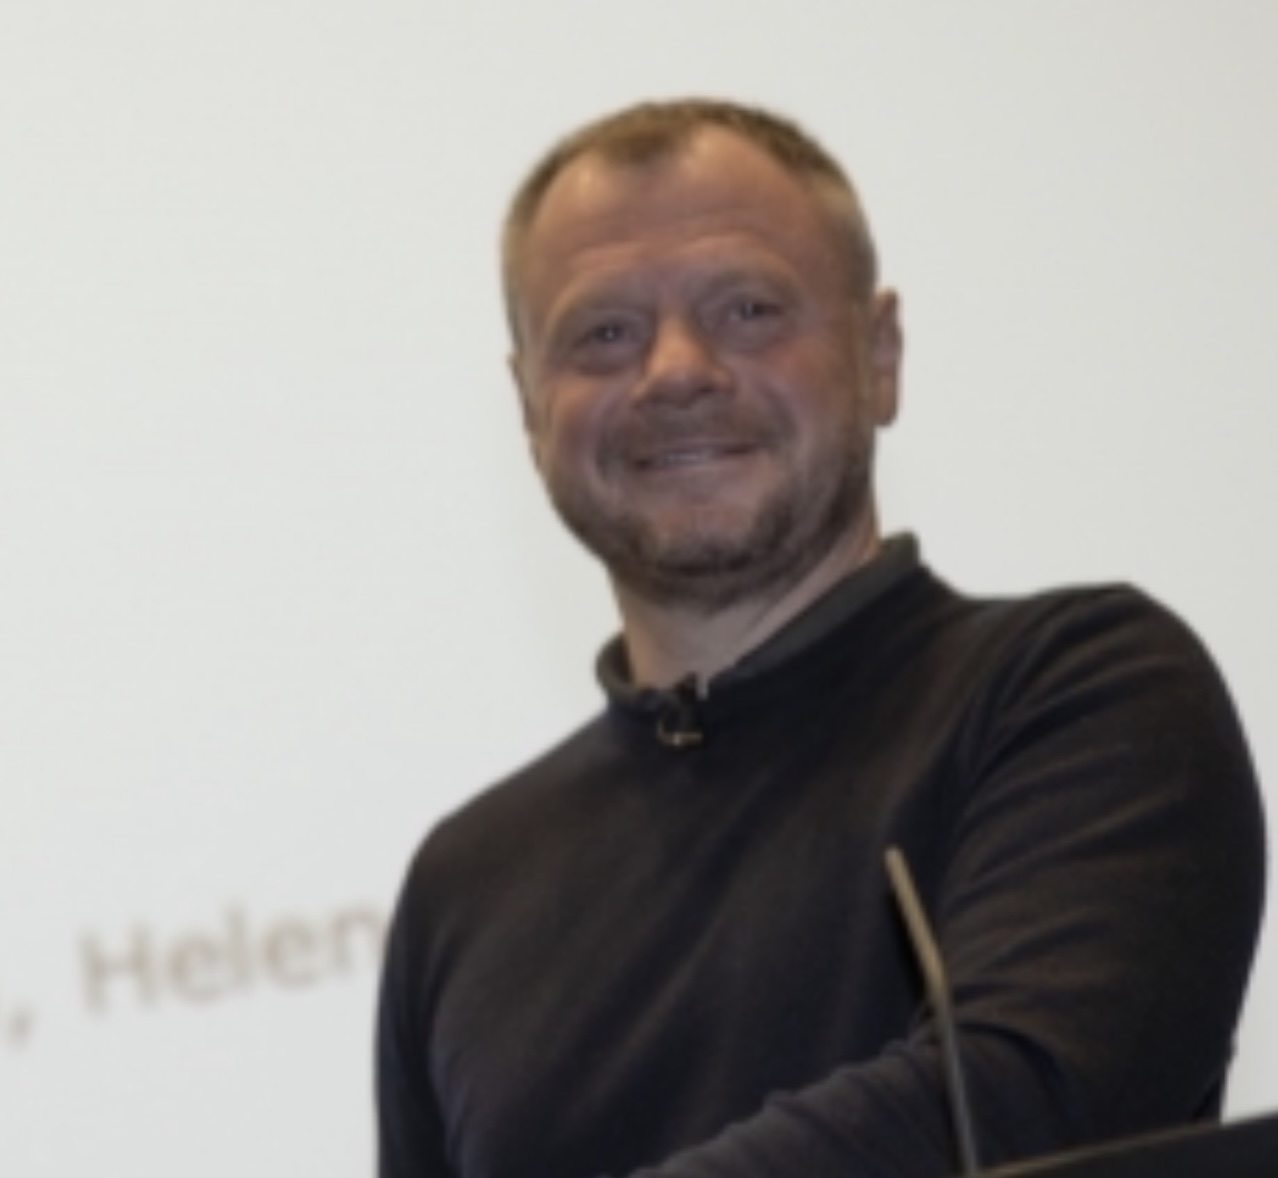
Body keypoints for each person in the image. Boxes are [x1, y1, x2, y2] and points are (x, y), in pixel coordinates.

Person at [375, 99, 1265, 1178]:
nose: (676, 369)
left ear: (879, 354)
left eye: (748, 309)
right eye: (604, 333)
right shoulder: (465, 884)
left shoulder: (1080, 695)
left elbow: (1013, 1108)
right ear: (529, 406)